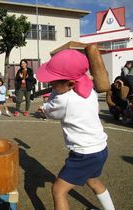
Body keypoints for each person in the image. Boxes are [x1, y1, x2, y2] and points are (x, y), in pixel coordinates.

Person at [37, 49, 115, 210]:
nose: (50, 84)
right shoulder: (88, 88)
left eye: (53, 81)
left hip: (84, 154)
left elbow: (51, 113)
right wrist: (57, 89)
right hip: (100, 149)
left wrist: (44, 107)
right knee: (93, 181)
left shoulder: (64, 99)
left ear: (71, 83)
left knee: (58, 190)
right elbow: (61, 93)